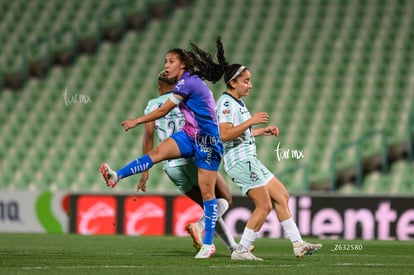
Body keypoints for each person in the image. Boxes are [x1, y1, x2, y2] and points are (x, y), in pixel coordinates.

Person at [186, 37, 322, 260]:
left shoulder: (238, 104)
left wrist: (261, 131)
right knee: (264, 205)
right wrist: (251, 122)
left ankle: (298, 243)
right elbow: (224, 134)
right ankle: (240, 250)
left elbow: (238, 134)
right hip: (240, 162)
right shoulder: (227, 104)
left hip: (249, 159)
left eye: (250, 81)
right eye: (246, 81)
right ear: (233, 83)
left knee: (281, 196)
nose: (250, 85)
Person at [100, 38, 226, 259]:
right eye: (165, 61)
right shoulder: (184, 82)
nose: (166, 65)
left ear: (183, 64)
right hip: (190, 133)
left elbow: (163, 111)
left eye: (170, 61)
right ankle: (116, 176)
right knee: (157, 153)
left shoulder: (187, 83)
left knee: (207, 193)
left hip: (207, 140)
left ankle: (208, 244)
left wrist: (137, 120)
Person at [137, 70, 241, 254]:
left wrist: (145, 171)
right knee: (224, 198)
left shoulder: (151, 105)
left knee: (208, 205)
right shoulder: (188, 98)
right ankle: (199, 226)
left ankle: (233, 248)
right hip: (193, 155)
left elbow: (148, 137)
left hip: (170, 167)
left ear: (160, 87)